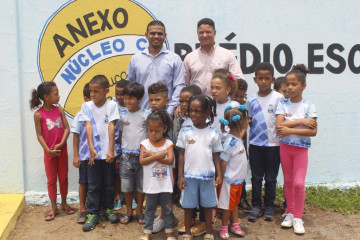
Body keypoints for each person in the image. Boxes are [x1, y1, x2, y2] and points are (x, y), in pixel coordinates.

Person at [276, 64, 317, 235]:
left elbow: (313, 131)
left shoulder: (308, 106)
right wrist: (300, 122)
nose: (290, 87)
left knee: (299, 183)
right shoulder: (282, 104)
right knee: (288, 182)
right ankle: (290, 213)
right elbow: (279, 126)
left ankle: (298, 217)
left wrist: (290, 128)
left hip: (300, 150)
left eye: (294, 84)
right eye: (288, 84)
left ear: (303, 86)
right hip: (285, 148)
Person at [177, 95, 223, 240]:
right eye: (191, 110)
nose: (193, 114)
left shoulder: (213, 133)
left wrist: (219, 174)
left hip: (207, 177)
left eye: (197, 111)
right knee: (188, 206)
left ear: (207, 113)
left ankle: (209, 231)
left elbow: (216, 155)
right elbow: (181, 155)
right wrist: (180, 176)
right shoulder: (185, 131)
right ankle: (188, 232)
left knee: (208, 206)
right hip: (189, 176)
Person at [80, 75, 120, 231]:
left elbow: (111, 126)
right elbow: (88, 126)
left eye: (96, 91)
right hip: (93, 154)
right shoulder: (87, 107)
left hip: (109, 153)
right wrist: (91, 148)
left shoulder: (112, 106)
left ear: (106, 91)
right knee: (93, 184)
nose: (92, 95)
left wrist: (110, 150)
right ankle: (93, 213)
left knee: (109, 183)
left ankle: (108, 209)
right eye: (91, 91)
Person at [246, 62, 283, 222]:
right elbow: (248, 120)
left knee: (271, 178)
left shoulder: (279, 98)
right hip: (255, 145)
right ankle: (256, 205)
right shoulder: (251, 100)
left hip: (274, 145)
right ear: (255, 79)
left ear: (273, 79)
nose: (263, 81)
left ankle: (268, 206)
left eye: (267, 78)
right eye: (260, 78)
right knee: (256, 177)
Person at [30, 82, 72, 221]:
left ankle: (64, 203)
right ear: (46, 97)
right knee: (51, 180)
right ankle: (54, 207)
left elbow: (67, 128)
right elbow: (39, 135)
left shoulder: (59, 110)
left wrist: (61, 143)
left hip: (62, 150)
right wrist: (47, 150)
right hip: (49, 152)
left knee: (64, 177)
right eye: (56, 94)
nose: (59, 96)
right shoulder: (38, 115)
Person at [126, 20, 185, 116]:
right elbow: (128, 86)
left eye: (160, 34)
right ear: (146, 35)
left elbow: (179, 86)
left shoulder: (174, 59)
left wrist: (169, 112)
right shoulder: (136, 59)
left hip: (166, 116)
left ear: (165, 36)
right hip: (139, 115)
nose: (156, 36)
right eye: (152, 33)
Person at [173, 85, 205, 236]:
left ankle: (204, 222)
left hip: (203, 166)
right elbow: (180, 148)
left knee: (203, 194)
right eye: (181, 101)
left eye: (187, 101)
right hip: (187, 165)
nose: (184, 104)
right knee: (187, 194)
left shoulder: (206, 121)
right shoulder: (181, 120)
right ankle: (190, 219)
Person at [183, 18, 244, 97]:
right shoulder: (190, 58)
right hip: (197, 105)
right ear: (197, 34)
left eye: (208, 32)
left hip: (222, 103)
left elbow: (238, 80)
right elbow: (184, 84)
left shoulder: (227, 55)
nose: (204, 35)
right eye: (201, 32)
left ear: (214, 33)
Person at [139, 108, 175, 240]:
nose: (153, 134)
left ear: (164, 129)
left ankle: (169, 233)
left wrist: (153, 155)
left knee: (167, 209)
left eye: (157, 131)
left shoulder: (169, 144)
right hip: (151, 186)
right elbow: (143, 161)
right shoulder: (145, 144)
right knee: (149, 210)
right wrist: (159, 155)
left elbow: (170, 160)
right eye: (150, 130)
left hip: (165, 185)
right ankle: (147, 233)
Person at [119, 82, 151, 225]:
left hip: (142, 157)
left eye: (131, 98)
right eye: (125, 98)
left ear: (139, 99)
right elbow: (121, 134)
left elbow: (150, 135)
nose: (127, 101)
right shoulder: (122, 115)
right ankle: (129, 212)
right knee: (126, 186)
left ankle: (139, 211)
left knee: (141, 186)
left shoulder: (146, 115)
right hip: (126, 157)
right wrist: (122, 149)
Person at [217, 106, 248, 239]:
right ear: (241, 123)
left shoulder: (237, 138)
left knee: (234, 203)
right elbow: (223, 161)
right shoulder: (231, 142)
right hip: (229, 180)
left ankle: (234, 223)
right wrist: (220, 177)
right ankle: (223, 227)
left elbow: (240, 134)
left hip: (238, 180)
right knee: (227, 206)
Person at [71, 83, 91, 223]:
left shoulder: (102, 113)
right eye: (91, 98)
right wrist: (76, 155)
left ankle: (96, 207)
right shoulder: (79, 115)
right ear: (85, 98)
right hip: (84, 156)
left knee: (97, 183)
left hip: (98, 156)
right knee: (83, 182)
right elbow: (76, 136)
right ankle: (82, 208)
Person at [232, 78, 252, 213]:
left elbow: (244, 135)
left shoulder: (244, 111)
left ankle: (242, 198)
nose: (239, 99)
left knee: (241, 174)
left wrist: (245, 150)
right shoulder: (228, 110)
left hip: (240, 148)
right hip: (228, 149)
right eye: (236, 95)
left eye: (241, 96)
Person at [113, 79, 130, 211]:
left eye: (122, 94)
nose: (119, 97)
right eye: (116, 94)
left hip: (129, 146)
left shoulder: (131, 107)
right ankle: (118, 196)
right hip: (115, 146)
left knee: (130, 172)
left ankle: (131, 197)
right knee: (117, 174)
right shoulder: (112, 106)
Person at [211, 68, 240, 140]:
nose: (214, 91)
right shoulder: (210, 105)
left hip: (229, 146)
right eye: (212, 87)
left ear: (228, 90)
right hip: (213, 146)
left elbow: (239, 128)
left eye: (218, 88)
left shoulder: (234, 106)